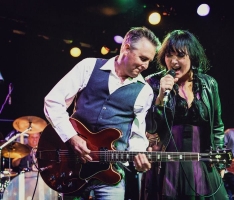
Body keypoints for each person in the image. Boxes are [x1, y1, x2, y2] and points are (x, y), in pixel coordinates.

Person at [44, 26, 161, 199]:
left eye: (149, 61)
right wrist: (71, 138)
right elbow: (53, 101)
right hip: (73, 167)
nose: (145, 66)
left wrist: (139, 154)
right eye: (143, 58)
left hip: (111, 174)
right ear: (126, 47)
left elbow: (136, 135)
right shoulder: (89, 66)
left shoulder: (145, 90)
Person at [141, 30, 228, 200]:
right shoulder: (152, 82)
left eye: (180, 55)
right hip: (167, 164)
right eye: (168, 55)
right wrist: (160, 97)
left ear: (192, 57)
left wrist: (220, 161)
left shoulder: (209, 84)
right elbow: (149, 127)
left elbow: (217, 126)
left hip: (202, 161)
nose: (173, 61)